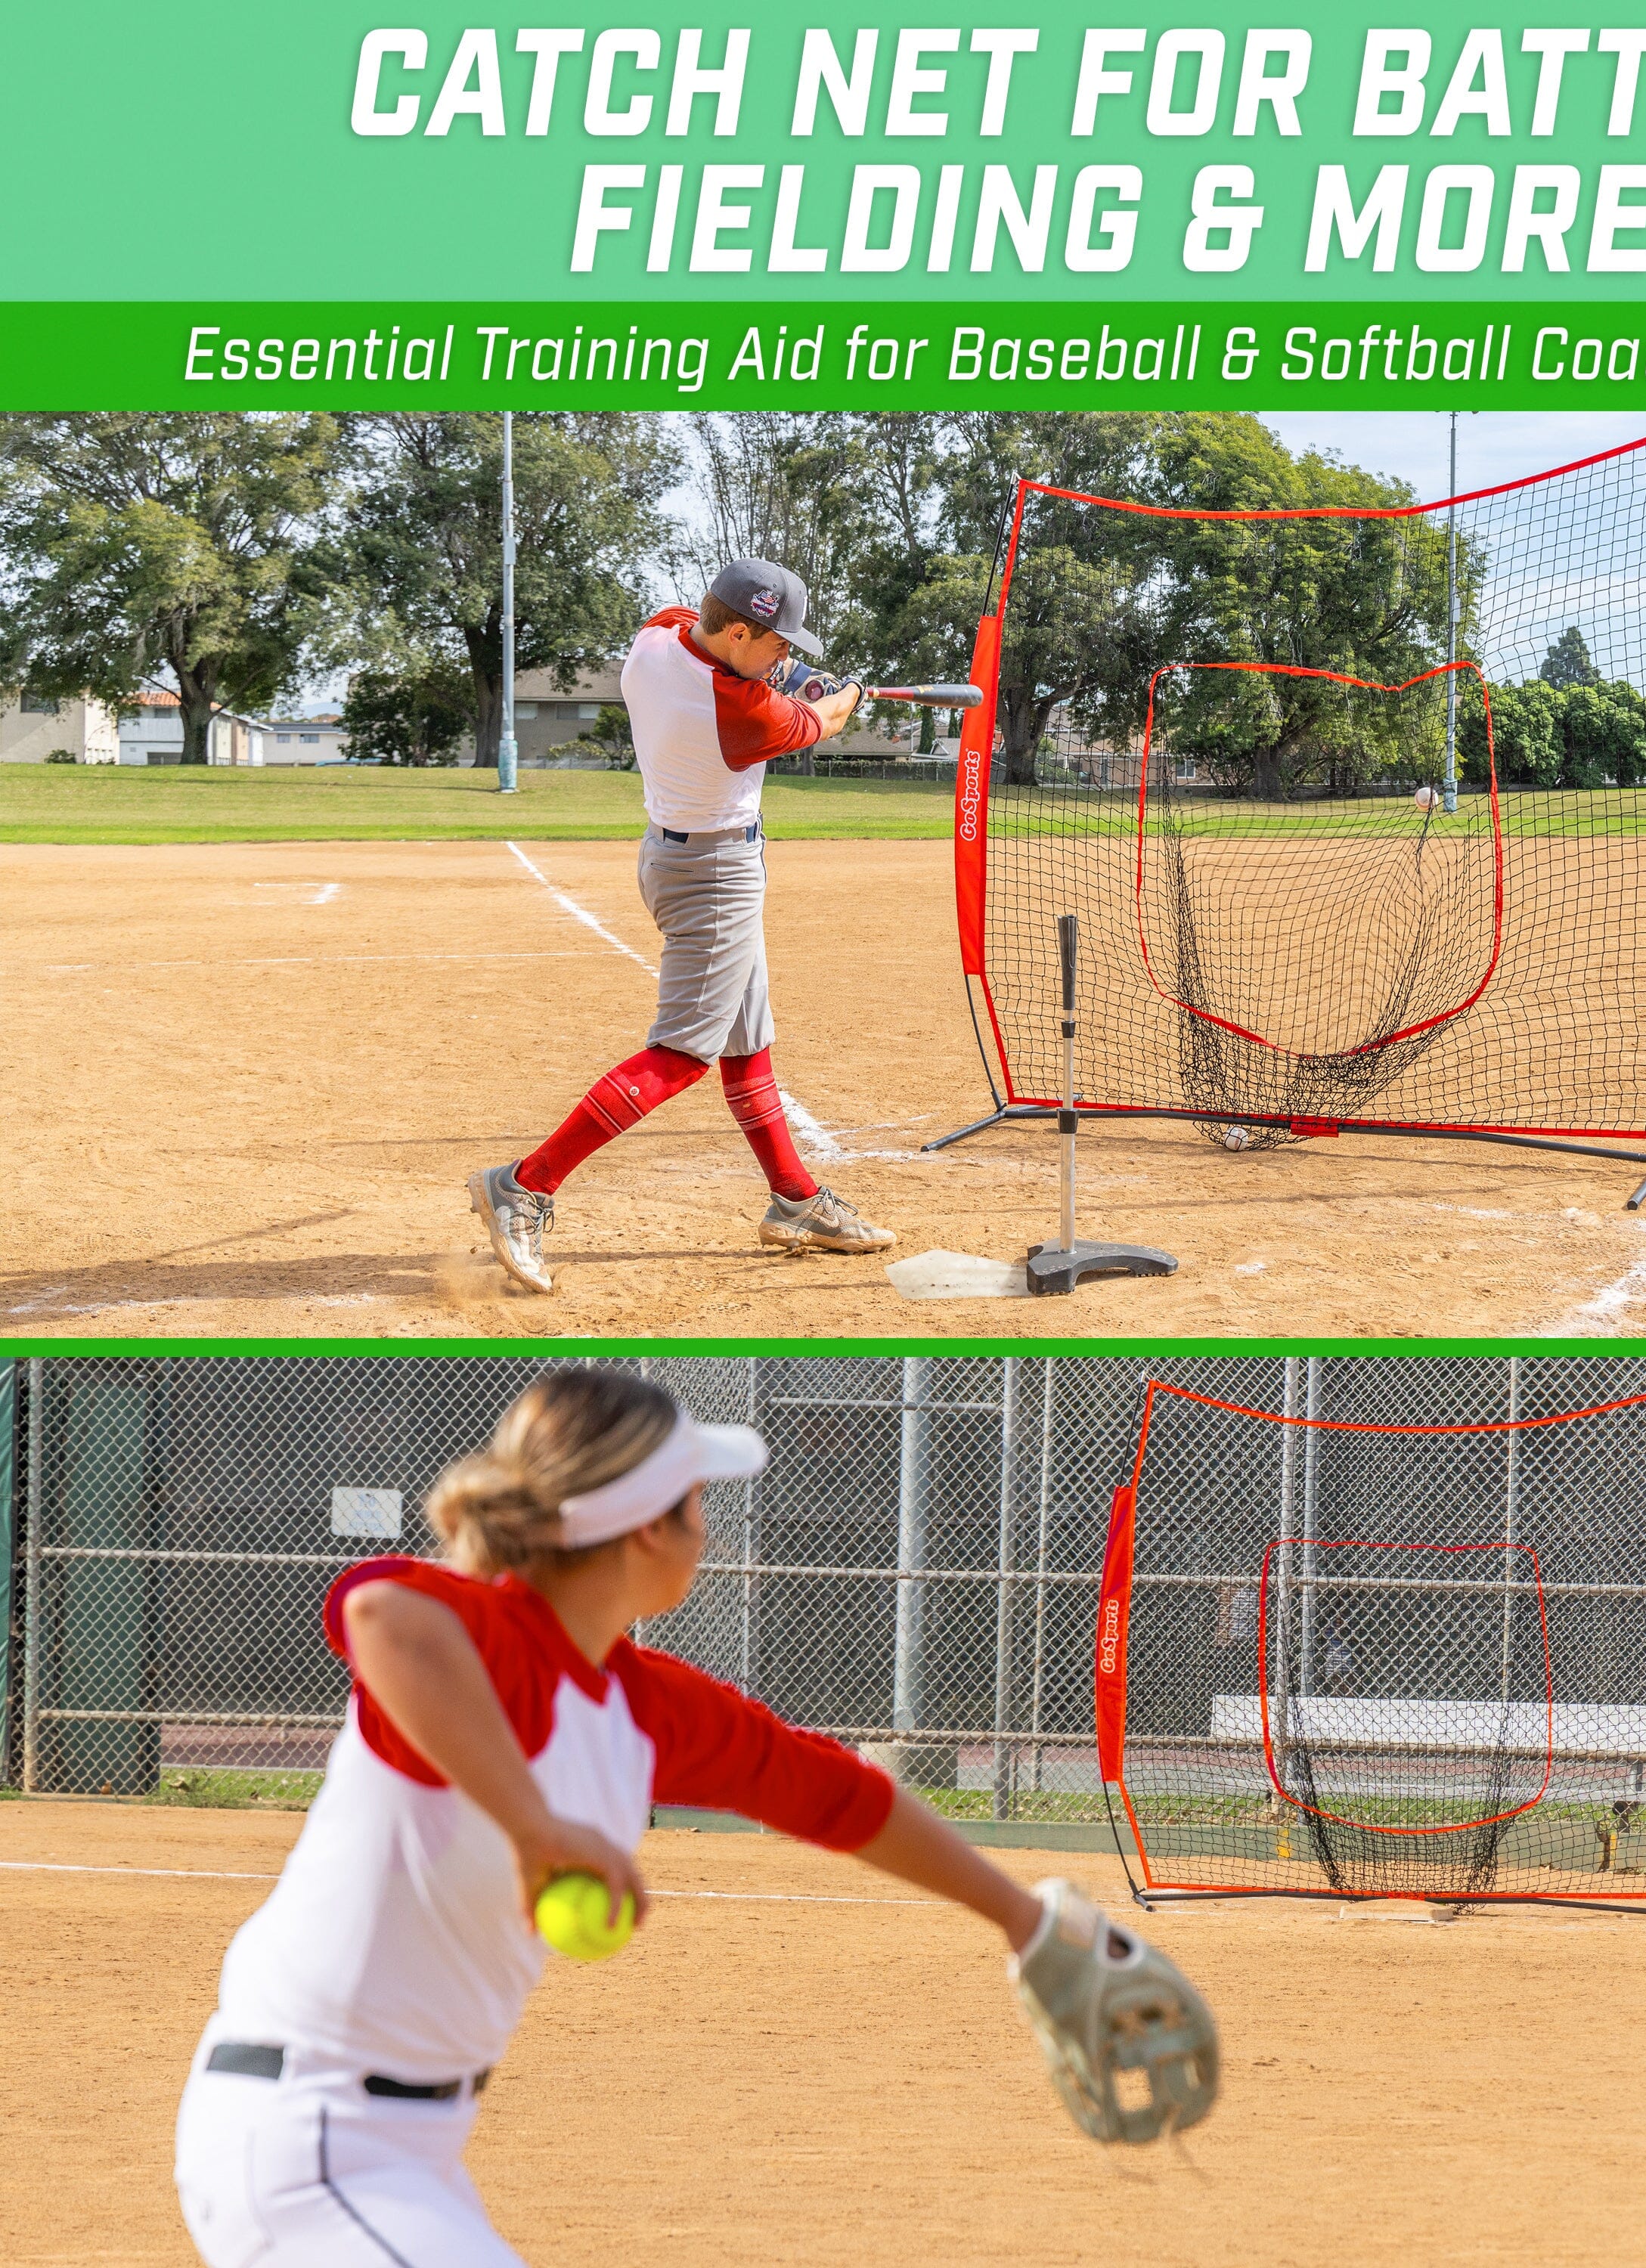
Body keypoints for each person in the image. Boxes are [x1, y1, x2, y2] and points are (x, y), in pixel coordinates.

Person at [172, 1370, 1214, 2266]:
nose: (709, 1529)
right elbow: (380, 1616)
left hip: (411, 2156)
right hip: (306, 2136)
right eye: (698, 1503)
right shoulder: (485, 1639)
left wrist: (1022, 1922)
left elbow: (837, 1796)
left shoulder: (639, 1707)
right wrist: (538, 1827)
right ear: (648, 1528)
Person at [469, 560, 895, 1297]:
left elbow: (761, 679)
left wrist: (785, 679)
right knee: (681, 1056)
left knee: (746, 1041)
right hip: (714, 881)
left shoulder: (659, 636)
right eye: (777, 644)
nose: (787, 658)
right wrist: (848, 693)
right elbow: (820, 721)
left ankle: (795, 1199)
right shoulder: (740, 712)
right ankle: (525, 1185)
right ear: (736, 631)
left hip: (677, 853)